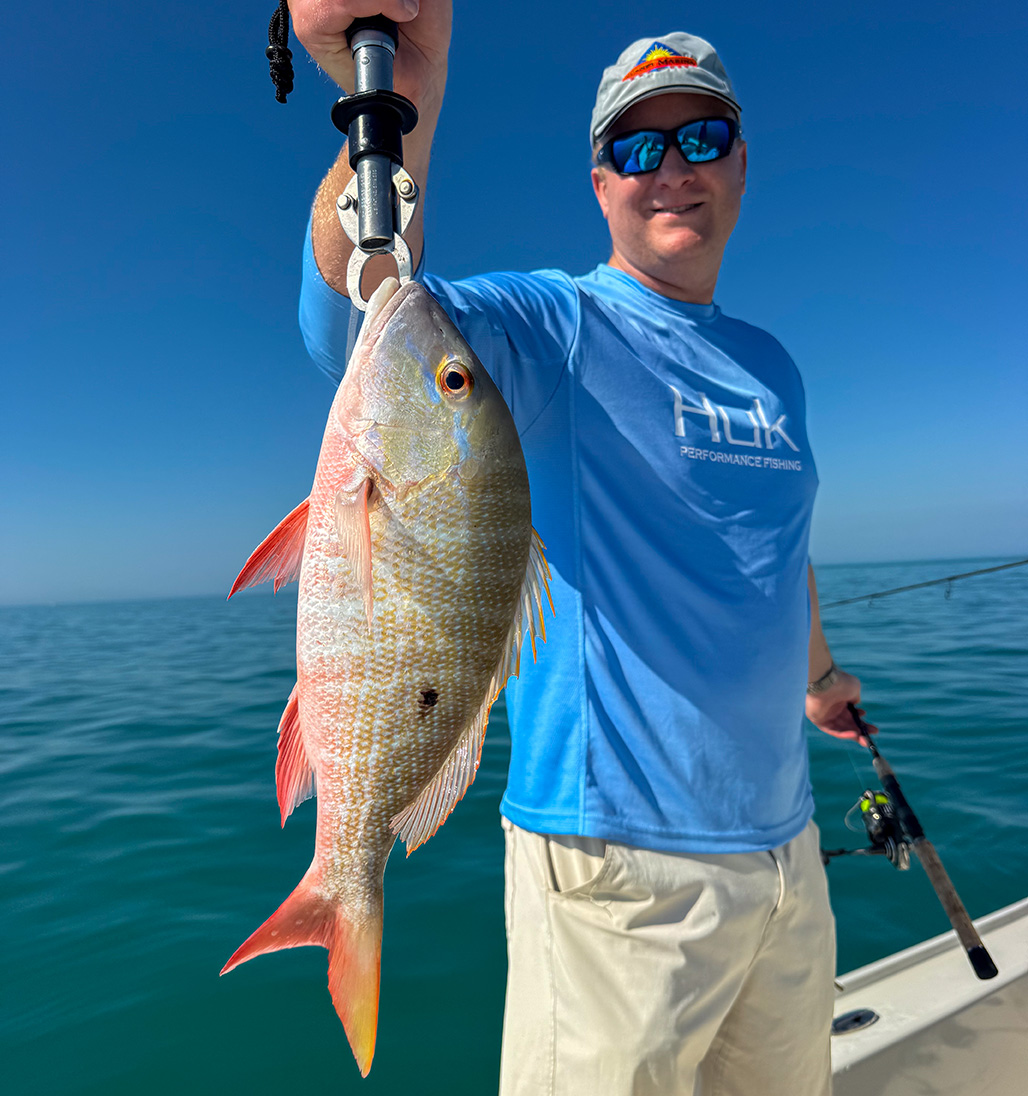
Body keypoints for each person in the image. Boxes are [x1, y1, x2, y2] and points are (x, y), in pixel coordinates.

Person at [291, 3, 874, 1093]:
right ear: (600, 182)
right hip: (617, 876)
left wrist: (820, 679)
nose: (670, 170)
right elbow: (360, 301)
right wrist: (397, 99)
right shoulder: (552, 328)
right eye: (634, 147)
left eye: (699, 138)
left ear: (740, 161)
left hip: (787, 853)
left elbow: (772, 551)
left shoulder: (771, 367)